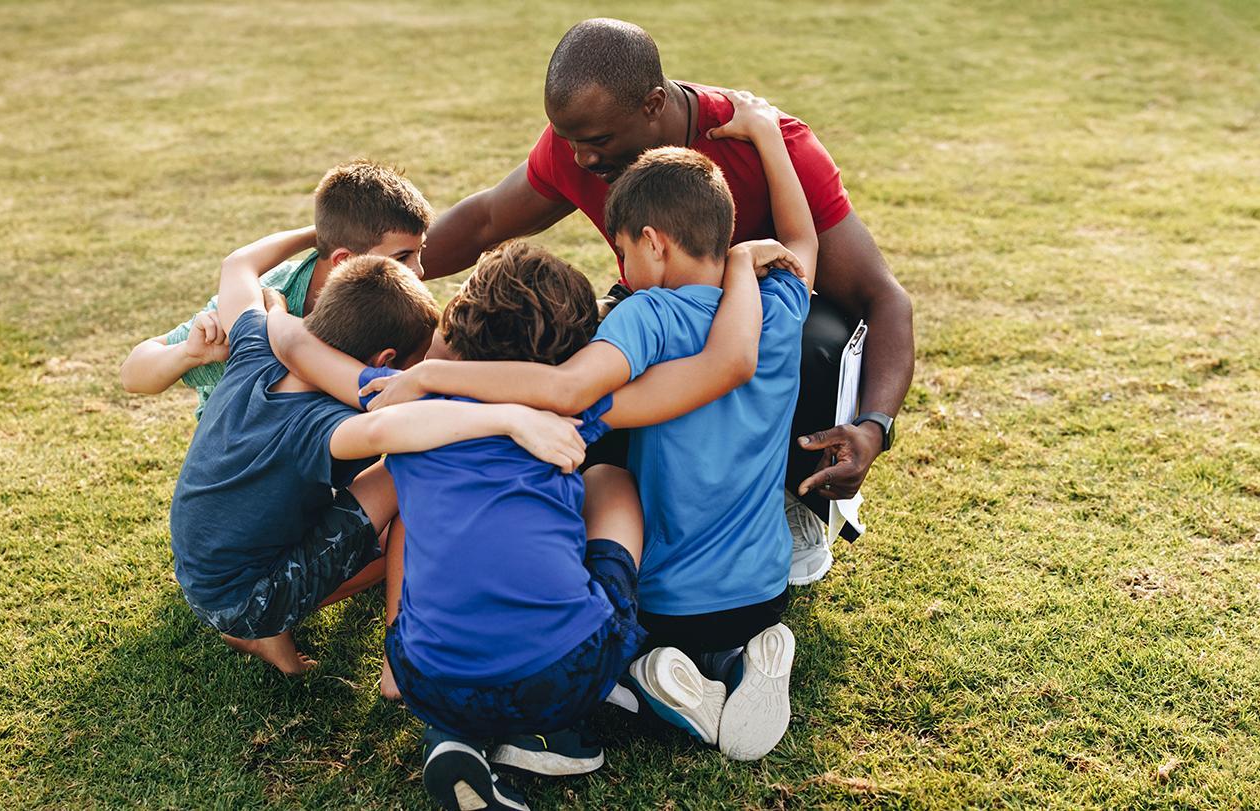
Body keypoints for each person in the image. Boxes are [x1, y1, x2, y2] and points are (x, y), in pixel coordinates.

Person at [364, 100, 816, 761]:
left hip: (668, 600)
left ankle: (647, 667)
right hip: (763, 589)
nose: (623, 268)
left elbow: (566, 391)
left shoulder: (647, 317)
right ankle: (743, 655)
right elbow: (805, 242)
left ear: (654, 241)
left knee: (605, 478)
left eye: (625, 250)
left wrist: (439, 378)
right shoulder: (778, 301)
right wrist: (769, 135)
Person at [267, 239, 788, 806]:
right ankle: (565, 718)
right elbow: (723, 366)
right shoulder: (567, 413)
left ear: (459, 322)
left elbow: (299, 347)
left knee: (425, 516)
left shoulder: (400, 407)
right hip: (562, 673)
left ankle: (452, 734)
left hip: (428, 678)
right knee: (612, 482)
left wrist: (270, 312)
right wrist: (738, 264)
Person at [417, 18, 914, 583]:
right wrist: (387, 273)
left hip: (766, 326)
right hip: (658, 311)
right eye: (570, 140)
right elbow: (484, 219)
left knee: (815, 341)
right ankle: (578, 502)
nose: (580, 159)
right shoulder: (581, 144)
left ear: (654, 104)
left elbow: (885, 299)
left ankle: (790, 499)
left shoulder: (771, 145)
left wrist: (873, 427)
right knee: (554, 328)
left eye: (597, 142)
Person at [168, 226, 584, 676]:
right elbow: (389, 428)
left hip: (197, 570)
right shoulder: (322, 425)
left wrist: (307, 254)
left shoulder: (257, 344)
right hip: (246, 601)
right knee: (408, 468)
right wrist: (512, 417)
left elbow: (237, 266)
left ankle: (270, 633)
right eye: (417, 361)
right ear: (385, 362)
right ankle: (354, 650)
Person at [118, 160, 431, 417]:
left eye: (419, 252)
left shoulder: (396, 304)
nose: (419, 271)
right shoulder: (271, 294)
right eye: (402, 257)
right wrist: (188, 354)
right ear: (344, 259)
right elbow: (133, 374)